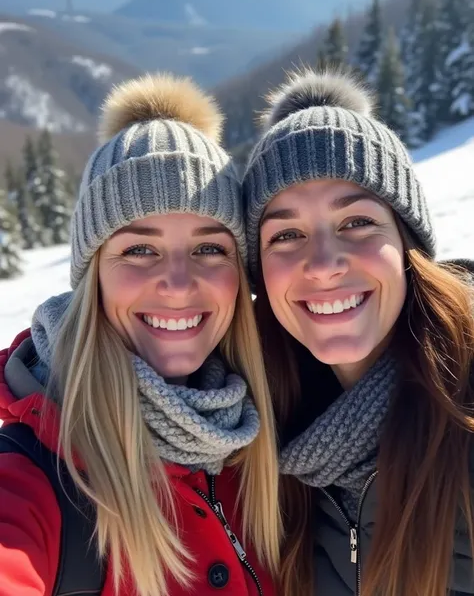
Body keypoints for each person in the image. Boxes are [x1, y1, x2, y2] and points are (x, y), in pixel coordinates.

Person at [0, 74, 281, 596]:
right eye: (138, 250)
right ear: (92, 276)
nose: (177, 284)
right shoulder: (35, 478)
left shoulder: (276, 437)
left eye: (209, 248)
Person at [242, 69, 474, 596]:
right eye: (287, 234)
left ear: (407, 240)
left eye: (356, 223)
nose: (323, 264)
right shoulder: (262, 431)